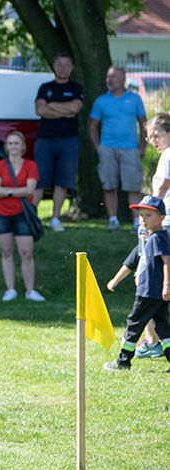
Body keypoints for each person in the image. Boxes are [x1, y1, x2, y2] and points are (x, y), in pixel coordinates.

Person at [105, 196, 170, 372]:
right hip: (154, 292)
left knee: (134, 323)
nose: (143, 219)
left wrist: (167, 285)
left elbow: (167, 261)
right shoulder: (150, 238)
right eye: (141, 215)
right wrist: (115, 280)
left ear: (162, 217)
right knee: (163, 326)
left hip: (149, 292)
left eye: (148, 215)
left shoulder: (159, 238)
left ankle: (123, 361)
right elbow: (131, 263)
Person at [88, 66, 147, 232]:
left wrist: (142, 146)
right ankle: (113, 220)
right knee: (108, 185)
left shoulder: (135, 99)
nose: (109, 80)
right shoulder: (101, 101)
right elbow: (92, 126)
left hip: (130, 149)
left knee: (133, 186)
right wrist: (98, 147)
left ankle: (137, 223)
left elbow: (144, 124)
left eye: (113, 77)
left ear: (123, 79)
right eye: (108, 77)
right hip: (107, 148)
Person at [0, 131, 45, 302]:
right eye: (10, 143)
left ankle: (30, 291)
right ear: (6, 147)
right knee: (6, 252)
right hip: (1, 214)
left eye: (16, 143)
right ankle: (10, 289)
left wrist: (5, 192)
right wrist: (15, 192)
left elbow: (30, 190)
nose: (13, 146)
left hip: (23, 214)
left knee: (26, 252)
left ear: (23, 147)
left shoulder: (31, 165)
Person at [33, 52, 84, 232]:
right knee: (39, 178)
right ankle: (33, 216)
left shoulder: (76, 88)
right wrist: (65, 110)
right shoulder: (45, 87)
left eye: (67, 65)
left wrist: (51, 105)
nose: (63, 68)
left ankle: (55, 218)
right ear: (54, 66)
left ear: (72, 68)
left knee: (62, 180)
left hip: (69, 140)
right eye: (60, 64)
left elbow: (75, 108)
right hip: (45, 139)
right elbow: (40, 110)